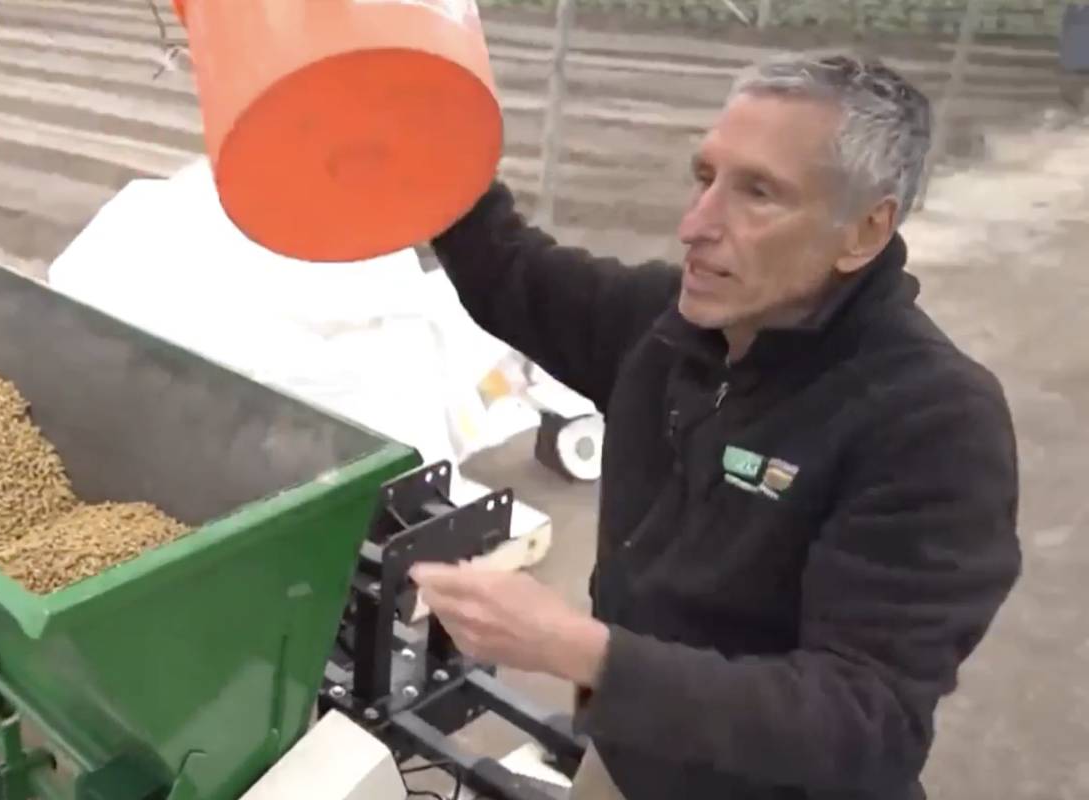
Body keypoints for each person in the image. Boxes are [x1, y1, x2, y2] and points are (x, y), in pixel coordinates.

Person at [408, 51, 1023, 800]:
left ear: (864, 231)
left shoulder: (932, 422)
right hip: (631, 759)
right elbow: (511, 272)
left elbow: (866, 719)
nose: (695, 225)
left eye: (758, 193)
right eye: (705, 178)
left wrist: (581, 650)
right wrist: (416, 144)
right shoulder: (670, 329)